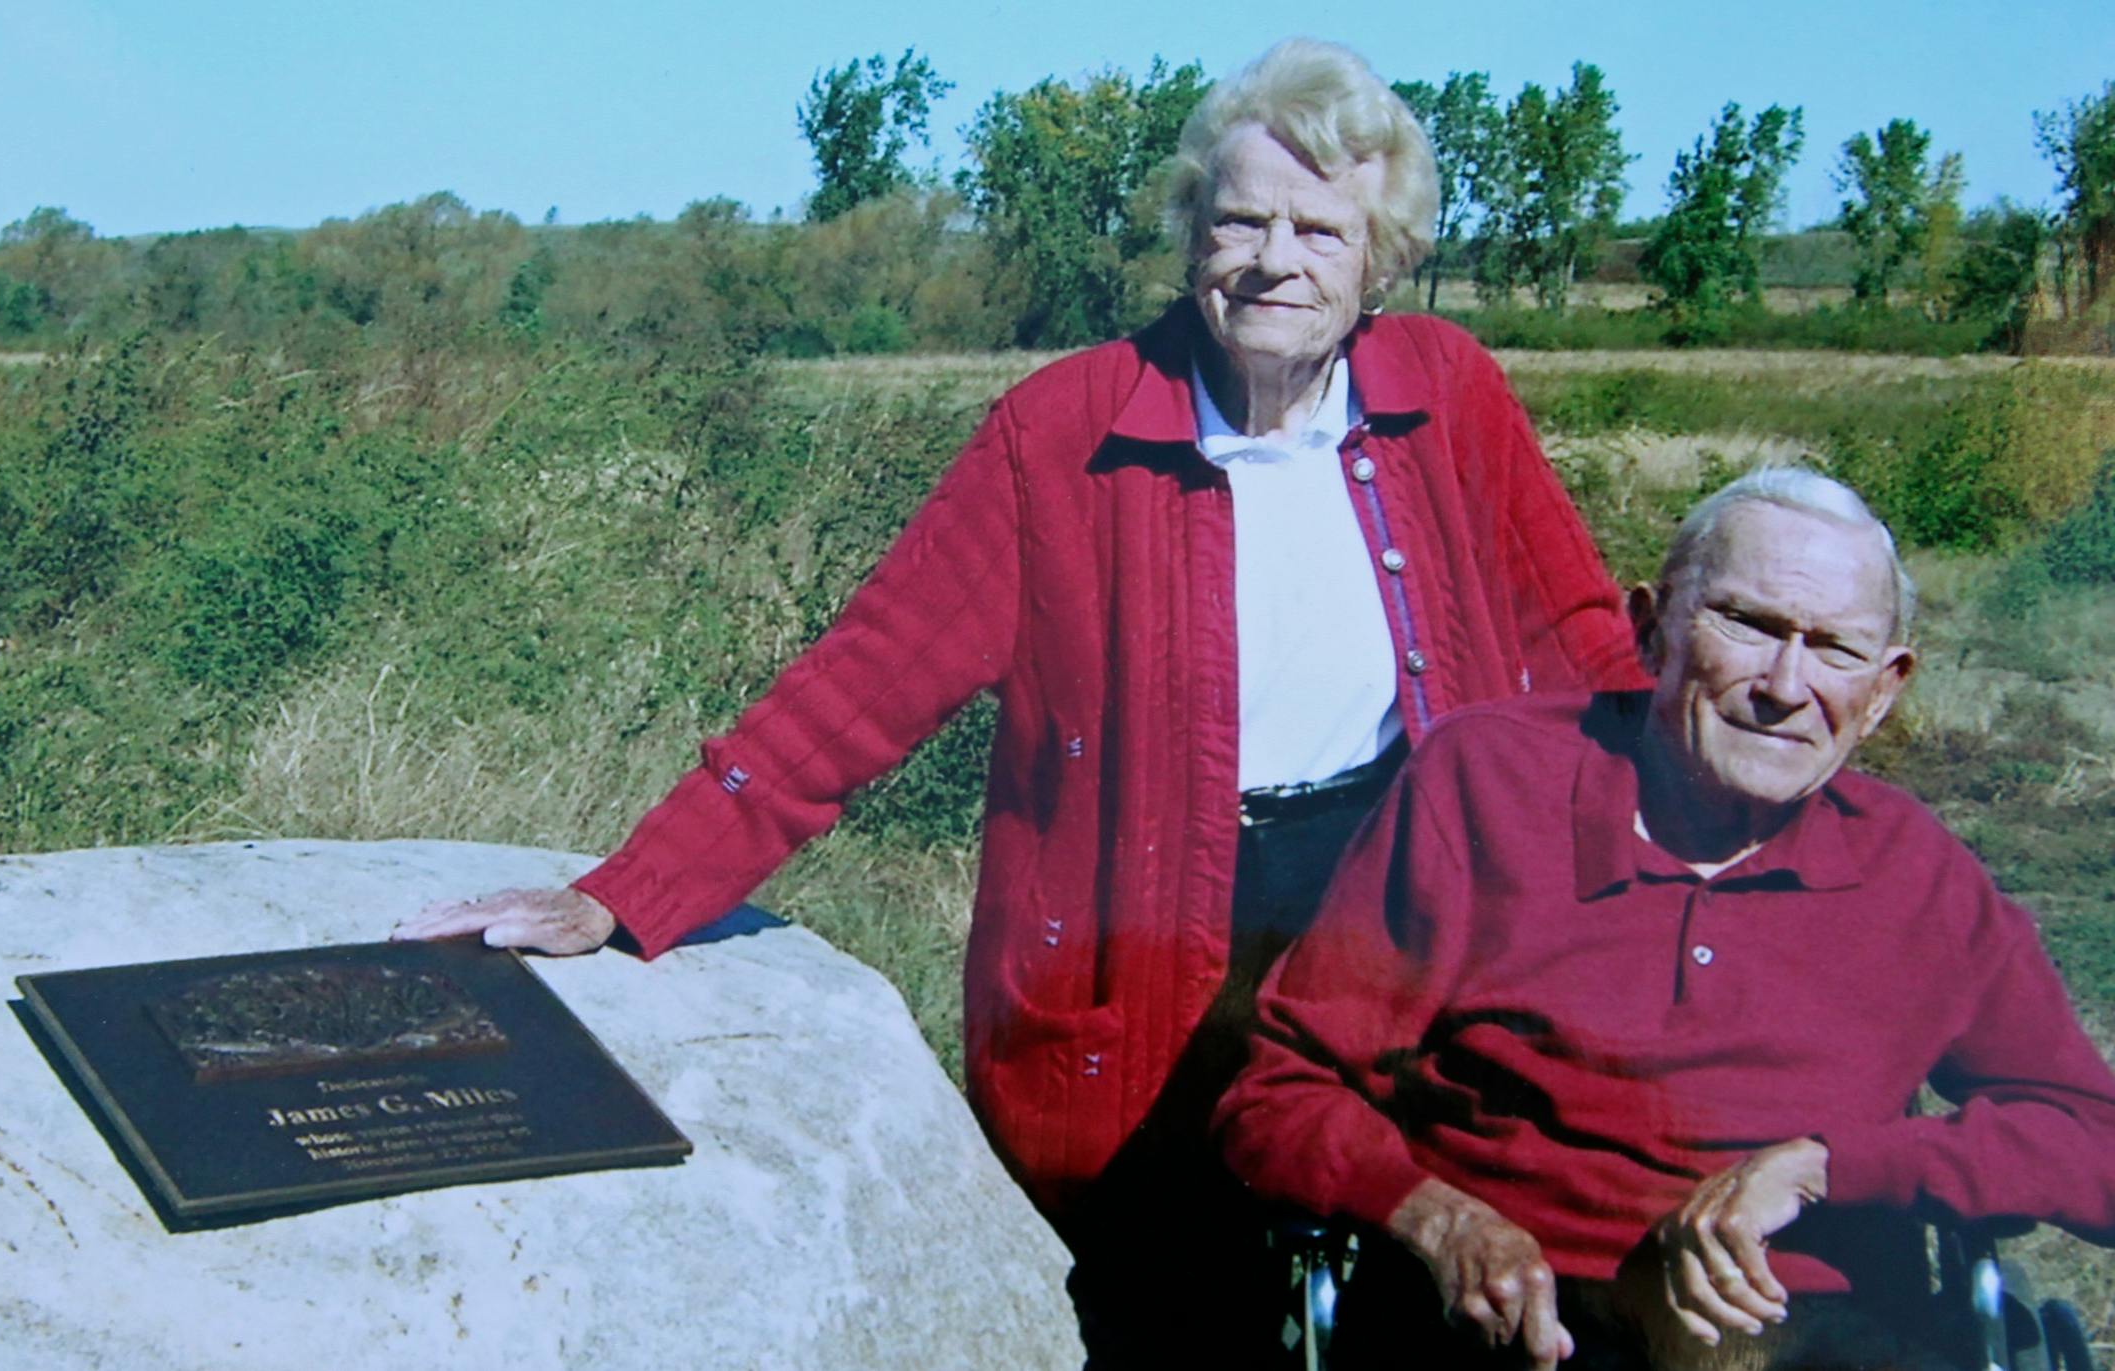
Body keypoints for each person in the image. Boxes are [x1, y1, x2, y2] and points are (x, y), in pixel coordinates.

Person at [396, 38, 1645, 1360]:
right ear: (1189, 234)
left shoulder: (1448, 395)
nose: (1275, 256)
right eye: (1239, 218)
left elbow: (1577, 641)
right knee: (1176, 1303)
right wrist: (633, 887)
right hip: (1155, 948)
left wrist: (1723, 849)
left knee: (1414, 1281)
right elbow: (862, 682)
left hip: (1393, 903)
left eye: (1319, 227)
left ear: (1380, 254)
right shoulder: (1064, 433)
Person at [1215, 468, 2115, 1370]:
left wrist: (1824, 1168)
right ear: (1650, 628)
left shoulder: (1918, 877)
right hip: (1515, 1327)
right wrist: (1442, 1220)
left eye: (1836, 649)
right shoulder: (1485, 785)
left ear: (1883, 692)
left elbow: (2094, 1143)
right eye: (1750, 625)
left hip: (1814, 1338)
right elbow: (1279, 1090)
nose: (1785, 684)